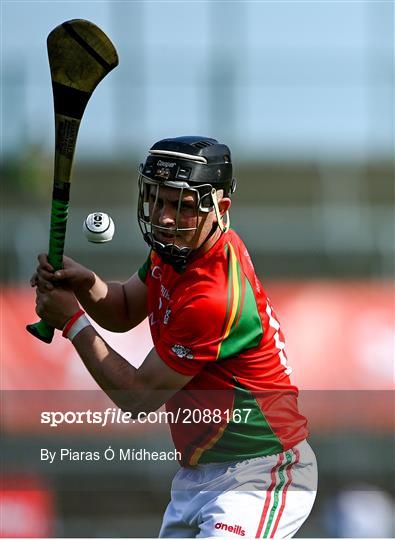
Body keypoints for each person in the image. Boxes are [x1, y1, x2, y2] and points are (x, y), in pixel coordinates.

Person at [32, 136, 317, 538]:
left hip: (262, 473)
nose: (165, 218)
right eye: (158, 200)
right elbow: (124, 308)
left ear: (220, 209)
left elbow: (136, 397)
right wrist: (84, 282)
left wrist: (72, 322)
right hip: (197, 476)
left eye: (182, 205)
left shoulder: (213, 296)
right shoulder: (178, 248)